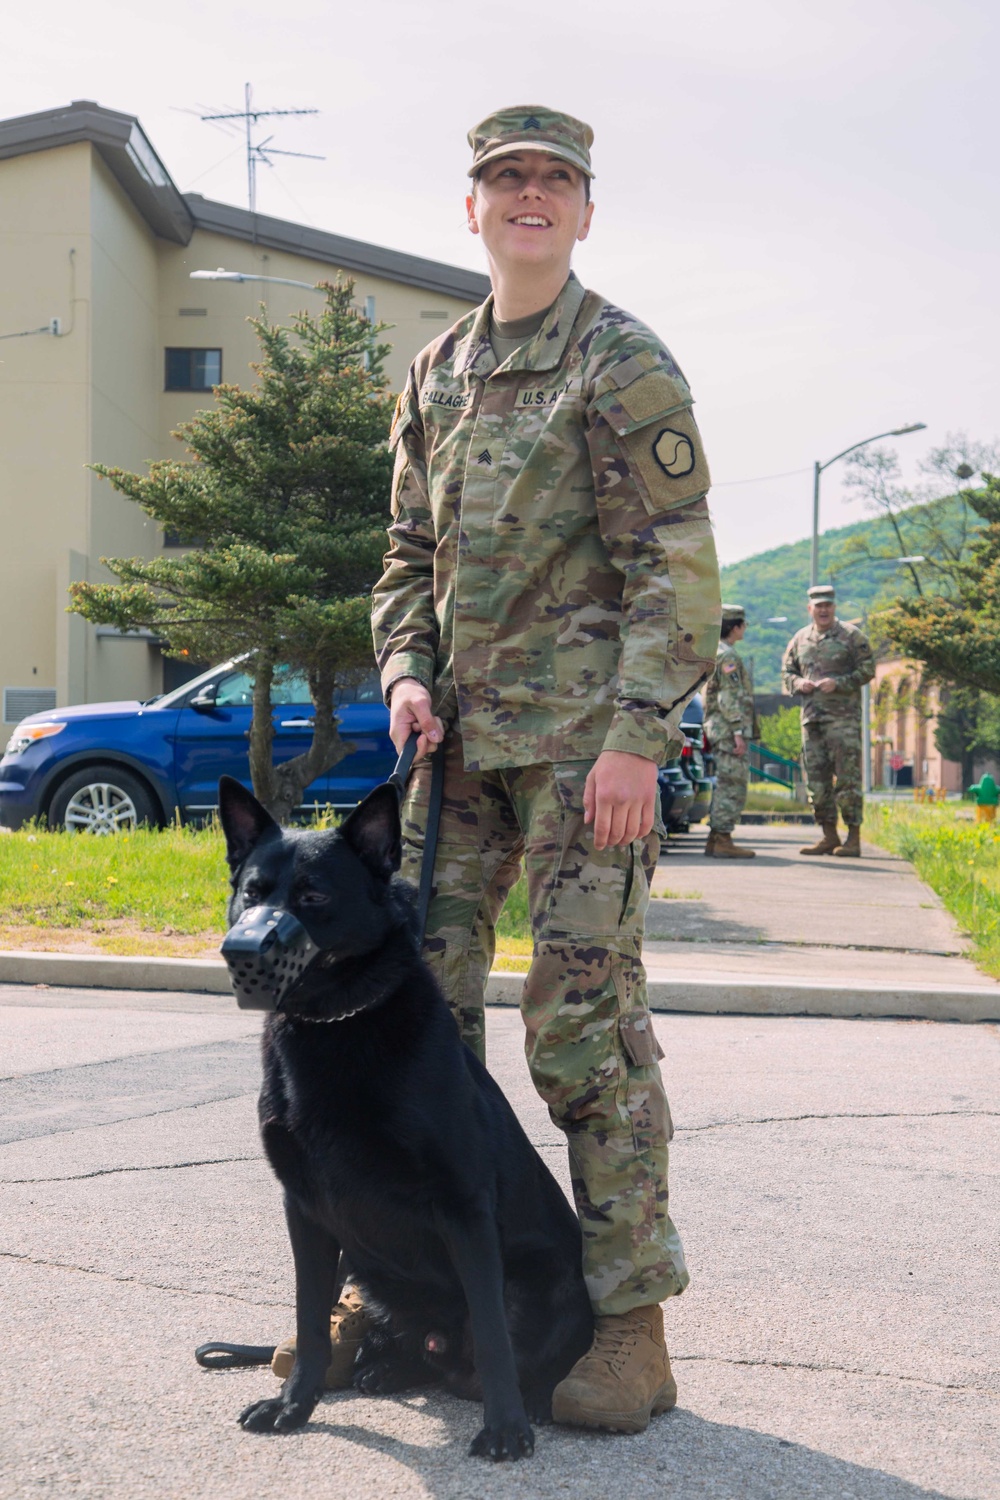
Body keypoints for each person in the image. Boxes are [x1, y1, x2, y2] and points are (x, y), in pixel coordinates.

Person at [366, 106, 721, 1432]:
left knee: (581, 1035)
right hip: (452, 756)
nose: (529, 197)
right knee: (413, 1027)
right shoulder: (437, 371)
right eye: (505, 179)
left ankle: (631, 1326)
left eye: (553, 181)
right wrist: (405, 670)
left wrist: (638, 735)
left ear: (583, 211)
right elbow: (406, 561)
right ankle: (406, 1295)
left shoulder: (621, 363)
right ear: (471, 208)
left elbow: (675, 569)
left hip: (583, 759)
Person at [782, 584, 875, 857]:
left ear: (834, 607)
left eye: (828, 605)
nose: (823, 610)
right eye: (818, 606)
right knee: (817, 782)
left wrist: (841, 683)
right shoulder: (800, 639)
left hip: (843, 722)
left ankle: (853, 838)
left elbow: (868, 668)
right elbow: (787, 672)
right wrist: (799, 683)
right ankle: (829, 835)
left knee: (847, 780)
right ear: (810, 609)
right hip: (812, 722)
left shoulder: (851, 636)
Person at [703, 604, 757, 858]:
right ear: (735, 627)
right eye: (743, 624)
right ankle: (723, 837)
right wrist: (737, 730)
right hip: (727, 730)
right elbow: (728, 698)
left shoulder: (715, 652)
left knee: (726, 781)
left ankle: (716, 838)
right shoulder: (728, 657)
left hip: (718, 728)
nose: (744, 629)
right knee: (732, 783)